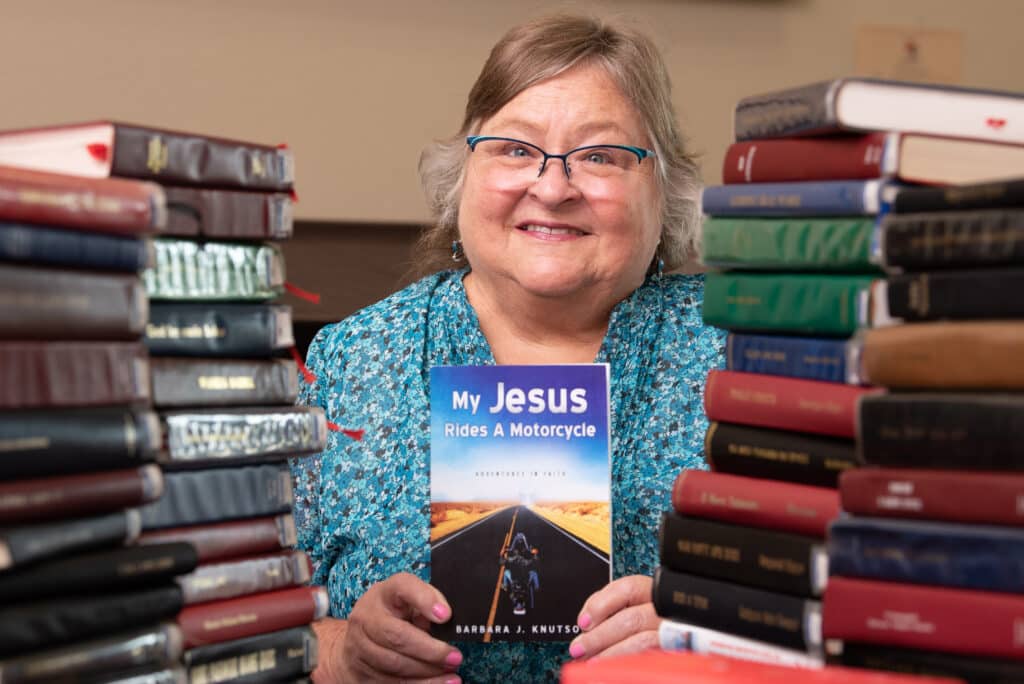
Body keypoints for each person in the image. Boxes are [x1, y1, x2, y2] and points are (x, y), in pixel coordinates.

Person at [291, 13, 726, 683]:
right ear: (461, 174)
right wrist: (341, 652)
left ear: (664, 190)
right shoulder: (352, 358)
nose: (552, 188)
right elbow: (238, 620)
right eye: (515, 149)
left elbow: (858, 602)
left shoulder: (744, 362)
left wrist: (714, 632)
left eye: (600, 156)